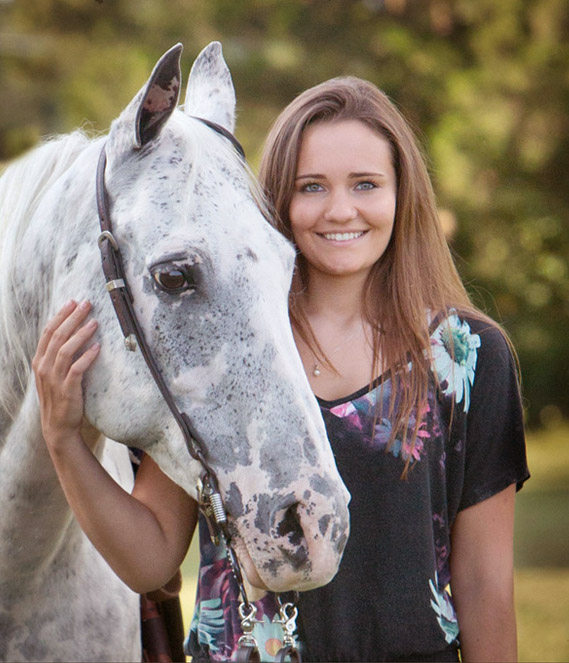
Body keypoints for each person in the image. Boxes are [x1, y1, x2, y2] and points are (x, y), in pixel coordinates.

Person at [33, 75, 529, 663]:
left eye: (366, 184)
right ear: (279, 201)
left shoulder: (468, 356)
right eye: (312, 186)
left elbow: (485, 588)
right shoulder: (217, 340)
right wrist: (63, 439)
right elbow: (151, 558)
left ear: (402, 195)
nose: (340, 209)